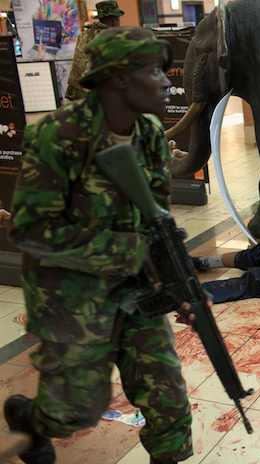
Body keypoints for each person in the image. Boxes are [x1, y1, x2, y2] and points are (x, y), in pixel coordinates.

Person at [4, 28, 196, 464]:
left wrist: (176, 282)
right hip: (71, 293)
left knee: (167, 400)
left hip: (137, 290)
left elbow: (156, 221)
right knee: (74, 412)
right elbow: (31, 231)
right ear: (120, 79)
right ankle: (31, 420)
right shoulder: (57, 136)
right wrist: (127, 251)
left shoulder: (149, 133)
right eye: (154, 71)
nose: (166, 82)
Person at [65, 0, 124, 101]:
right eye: (118, 19)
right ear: (114, 20)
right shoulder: (111, 37)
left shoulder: (84, 34)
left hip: (75, 89)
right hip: (93, 92)